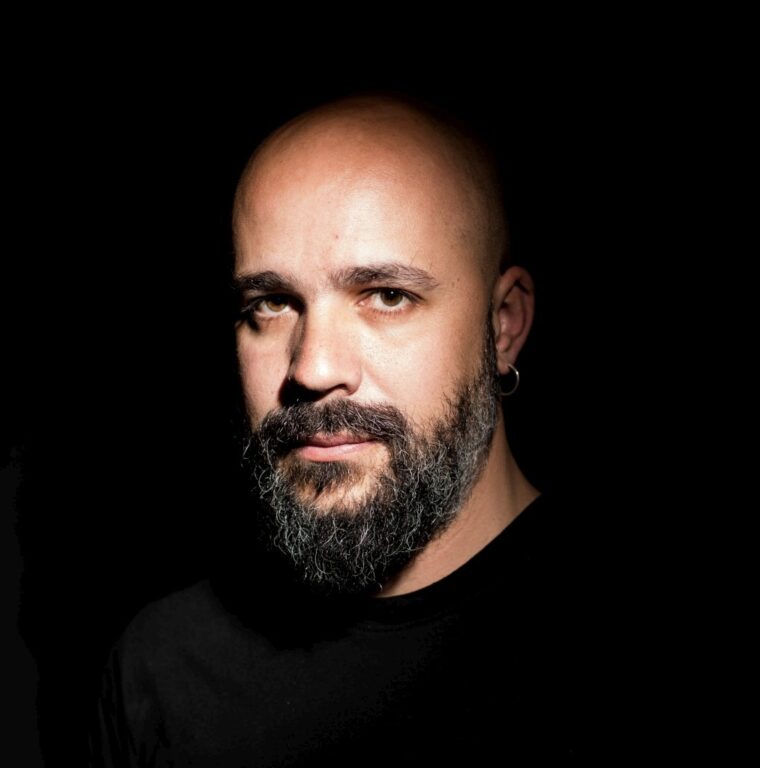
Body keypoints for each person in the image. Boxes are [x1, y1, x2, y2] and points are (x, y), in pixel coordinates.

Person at [89, 92, 593, 765]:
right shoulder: (163, 671)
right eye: (272, 303)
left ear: (502, 326)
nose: (313, 369)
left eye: (387, 296)